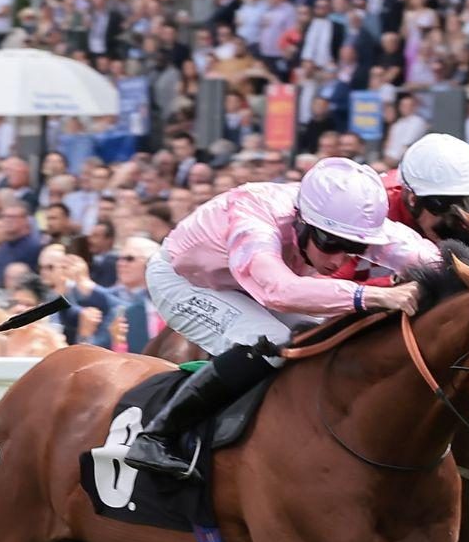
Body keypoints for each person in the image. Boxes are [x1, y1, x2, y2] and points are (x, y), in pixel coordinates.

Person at [124, 157, 440, 479]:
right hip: (185, 280)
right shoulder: (255, 217)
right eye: (331, 244)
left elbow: (429, 257)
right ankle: (156, 436)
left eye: (354, 248)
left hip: (246, 281)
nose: (339, 259)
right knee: (267, 341)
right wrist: (372, 295)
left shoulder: (343, 219)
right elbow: (277, 290)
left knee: (332, 334)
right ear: (302, 221)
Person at [384, 131, 469, 240]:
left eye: (465, 203)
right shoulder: (379, 214)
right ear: (413, 200)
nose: (453, 220)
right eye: (444, 205)